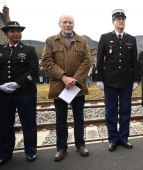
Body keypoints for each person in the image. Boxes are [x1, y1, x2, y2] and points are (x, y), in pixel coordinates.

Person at [42, 15, 91, 161]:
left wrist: (74, 80)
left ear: (74, 24)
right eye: (65, 22)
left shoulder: (82, 41)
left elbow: (87, 61)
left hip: (77, 87)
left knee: (79, 118)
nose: (67, 25)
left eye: (70, 22)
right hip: (60, 87)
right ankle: (61, 148)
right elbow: (47, 62)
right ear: (59, 24)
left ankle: (80, 145)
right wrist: (64, 78)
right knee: (60, 120)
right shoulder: (51, 41)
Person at [96, 9, 139, 151]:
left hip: (126, 81)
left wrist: (135, 80)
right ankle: (113, 139)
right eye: (118, 19)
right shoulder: (105, 37)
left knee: (126, 111)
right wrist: (99, 79)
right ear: (113, 22)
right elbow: (100, 60)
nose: (121, 21)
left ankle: (124, 138)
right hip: (110, 81)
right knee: (111, 111)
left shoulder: (131, 39)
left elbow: (134, 61)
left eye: (123, 19)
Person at [0, 21, 39, 166]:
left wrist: (18, 84)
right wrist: (1, 86)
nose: (16, 33)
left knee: (28, 123)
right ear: (6, 34)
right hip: (4, 93)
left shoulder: (29, 49)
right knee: (4, 124)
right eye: (12, 31)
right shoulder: (1, 50)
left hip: (25, 92)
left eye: (18, 31)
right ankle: (5, 153)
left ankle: (30, 151)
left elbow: (33, 70)